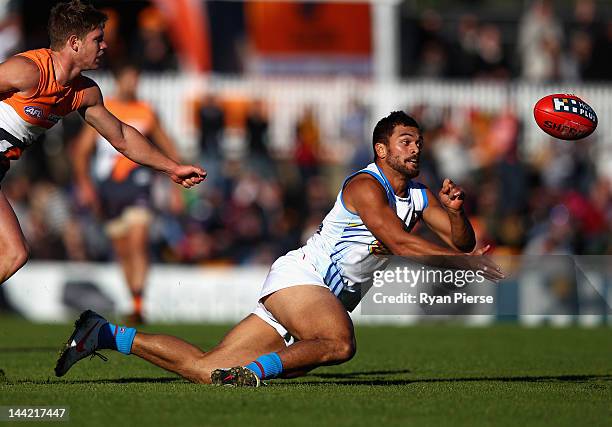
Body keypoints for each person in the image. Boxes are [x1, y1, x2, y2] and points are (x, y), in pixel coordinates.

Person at [55, 111, 504, 386]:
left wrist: (456, 211)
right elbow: (398, 242)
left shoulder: (419, 197)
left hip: (310, 297)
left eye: (419, 142)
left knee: (206, 370)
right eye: (406, 141)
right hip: (303, 281)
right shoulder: (368, 185)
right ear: (381, 149)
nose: (416, 148)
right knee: (337, 342)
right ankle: (253, 374)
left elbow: (461, 239)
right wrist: (465, 264)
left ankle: (106, 333)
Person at [0, 0, 205, 284]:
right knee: (13, 252)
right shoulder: (28, 70)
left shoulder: (85, 93)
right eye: (97, 39)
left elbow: (121, 136)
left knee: (14, 255)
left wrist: (171, 168)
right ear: (74, 42)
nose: (105, 46)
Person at [72, 62, 183, 324]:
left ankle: (138, 303)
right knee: (122, 250)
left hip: (138, 183)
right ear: (120, 80)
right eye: (130, 78)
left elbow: (170, 148)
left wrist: (176, 186)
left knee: (138, 241)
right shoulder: (103, 109)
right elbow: (81, 152)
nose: (134, 84)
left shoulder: (146, 111)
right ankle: (133, 299)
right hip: (109, 188)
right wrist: (85, 184)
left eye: (137, 78)